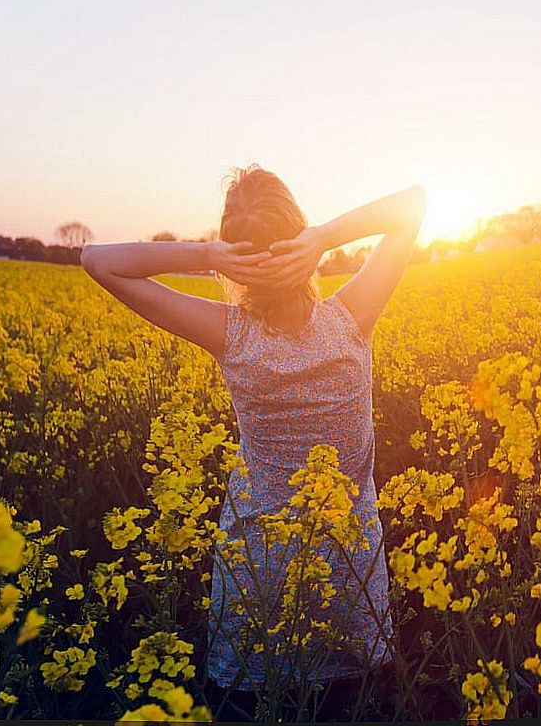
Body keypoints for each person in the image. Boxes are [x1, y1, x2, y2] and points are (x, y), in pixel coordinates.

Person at [81, 164, 427, 720]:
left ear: (234, 258)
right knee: (355, 708)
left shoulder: (226, 333)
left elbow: (97, 261)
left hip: (258, 569)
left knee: (255, 708)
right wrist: (321, 239)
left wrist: (209, 256)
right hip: (348, 566)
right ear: (301, 238)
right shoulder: (352, 317)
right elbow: (413, 202)